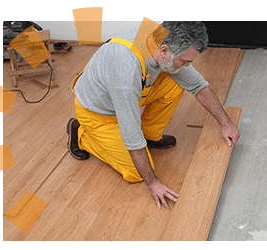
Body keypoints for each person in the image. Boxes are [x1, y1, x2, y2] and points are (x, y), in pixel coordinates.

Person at [67, 21, 239, 210]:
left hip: (126, 95)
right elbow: (131, 134)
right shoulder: (125, 69)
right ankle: (81, 134)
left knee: (176, 81)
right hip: (99, 113)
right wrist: (153, 183)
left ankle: (149, 135)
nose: (187, 65)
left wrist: (226, 123)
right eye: (184, 61)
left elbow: (198, 86)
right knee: (136, 172)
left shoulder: (160, 37)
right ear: (164, 51)